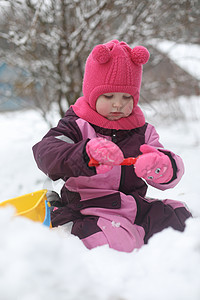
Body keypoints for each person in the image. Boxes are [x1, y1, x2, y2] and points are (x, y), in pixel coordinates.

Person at [33, 40, 191, 252]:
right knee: (111, 240)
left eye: (127, 97)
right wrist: (84, 154)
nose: (118, 104)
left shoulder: (142, 132)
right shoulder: (76, 126)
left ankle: (162, 256)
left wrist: (160, 166)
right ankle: (112, 259)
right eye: (108, 96)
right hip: (86, 209)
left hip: (133, 206)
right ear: (91, 93)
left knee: (181, 221)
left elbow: (167, 166)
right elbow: (47, 152)